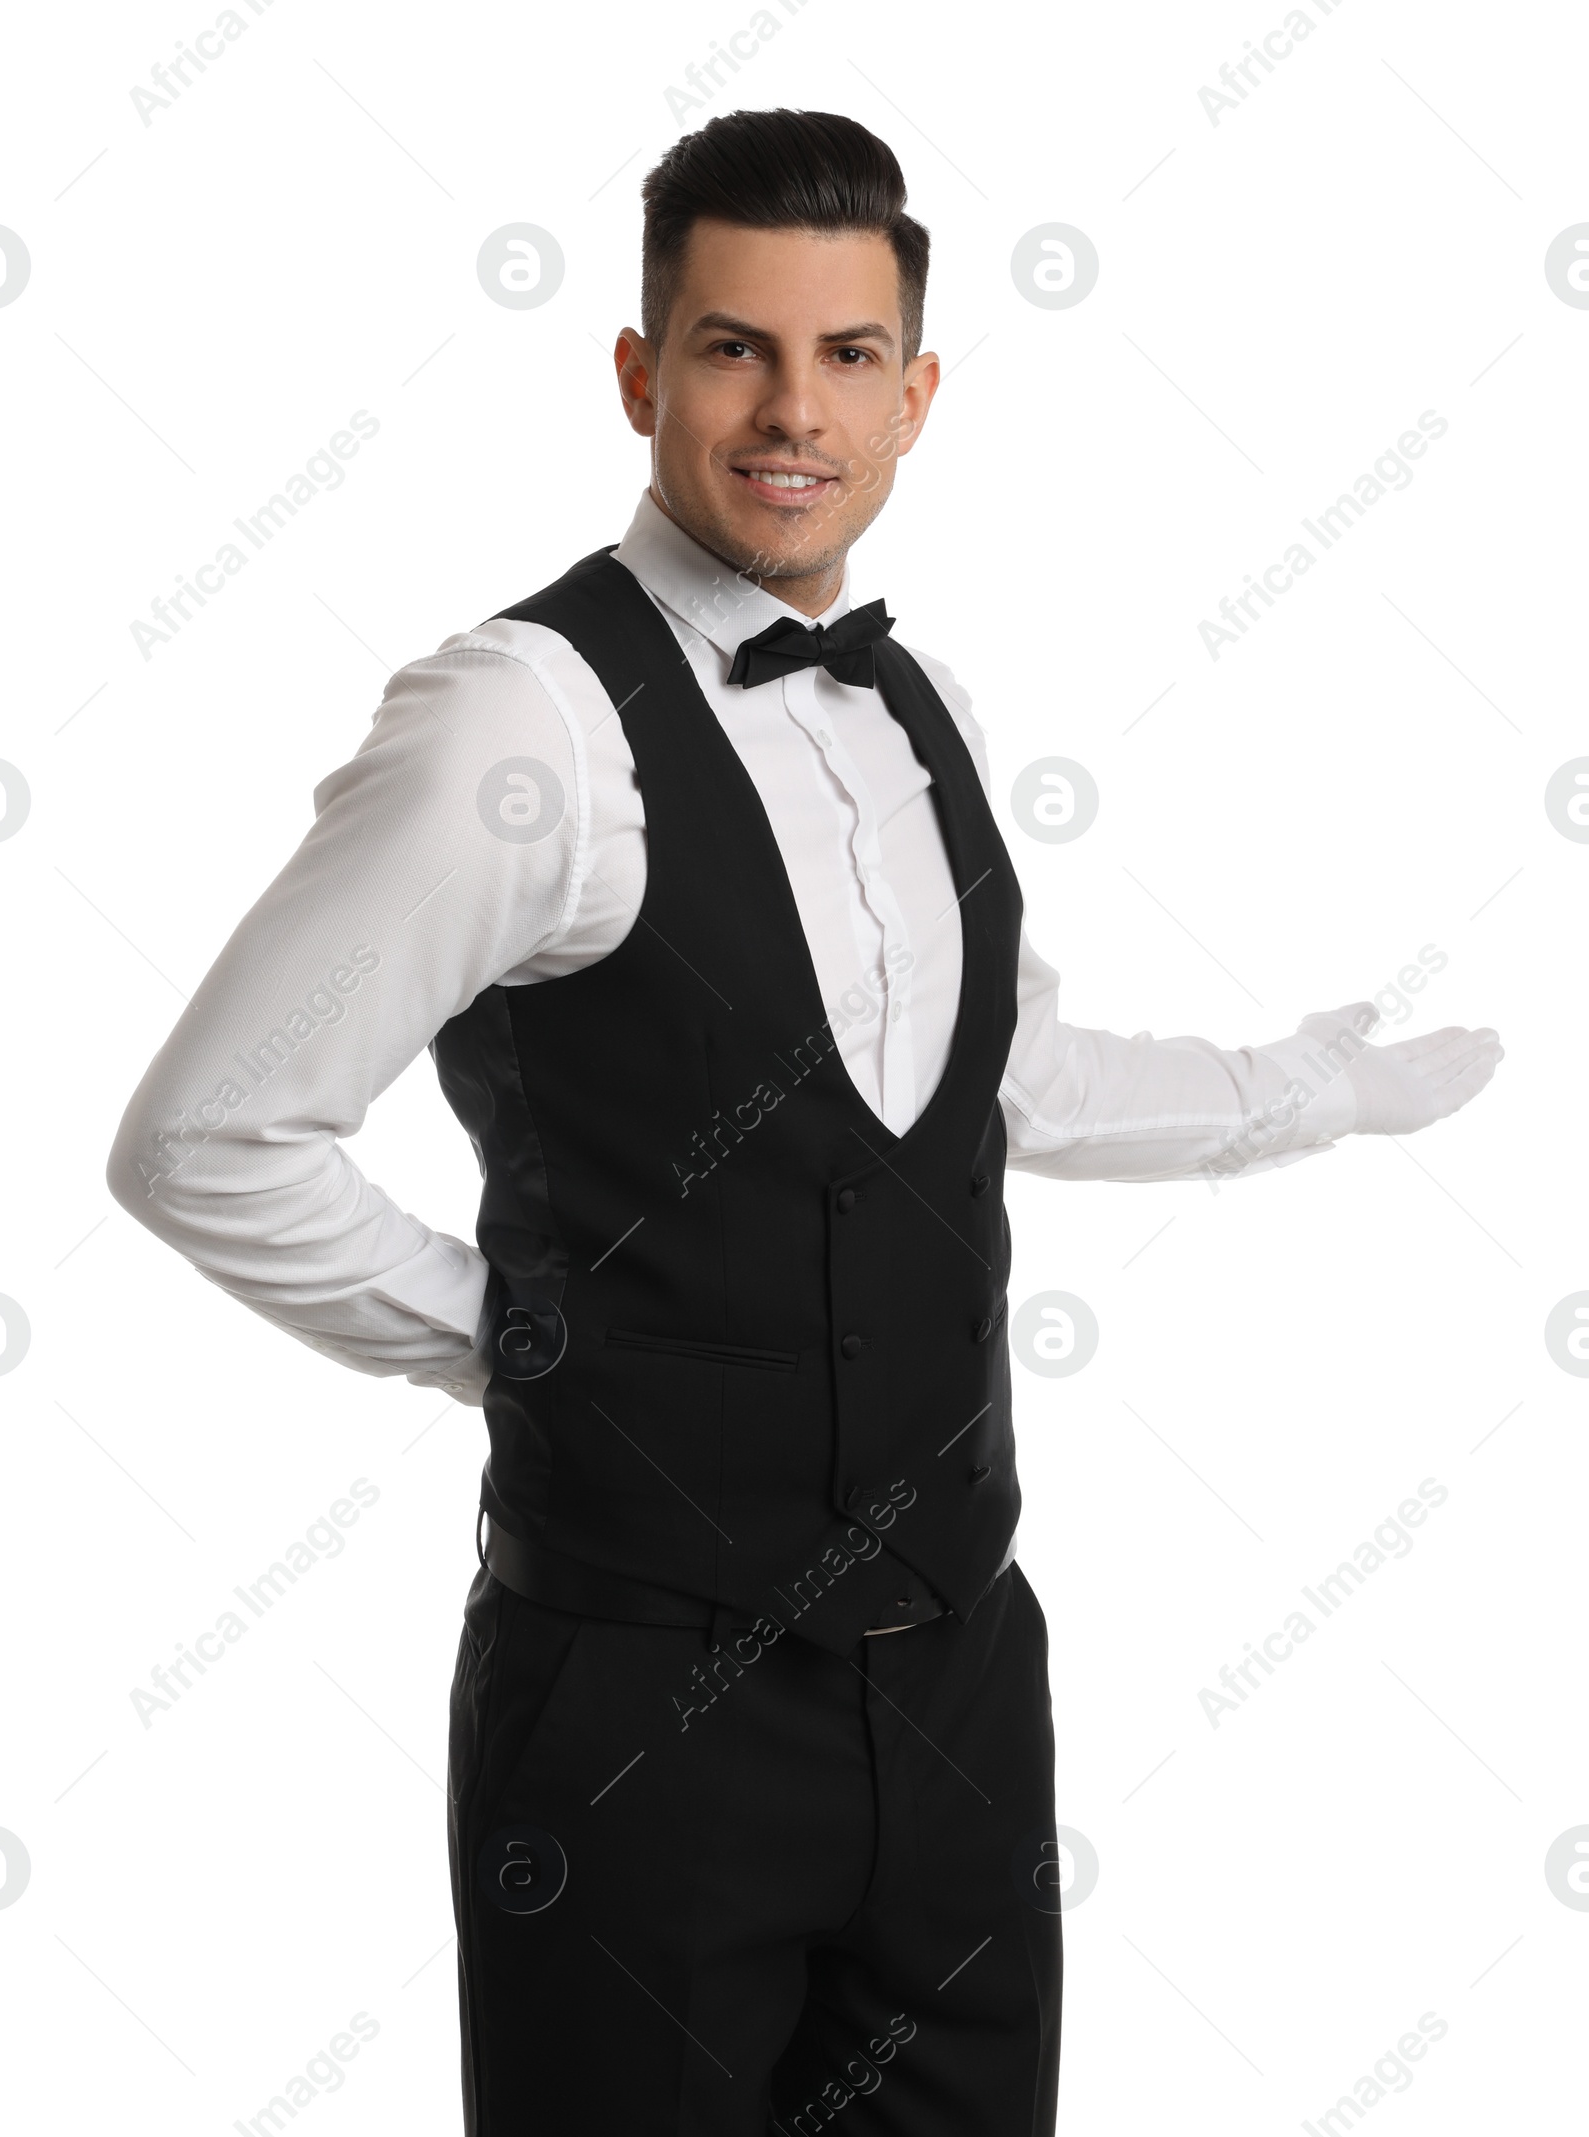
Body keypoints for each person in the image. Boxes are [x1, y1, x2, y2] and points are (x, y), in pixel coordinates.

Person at [108, 106, 1502, 2137]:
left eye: (845, 355)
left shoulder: (914, 707)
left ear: (915, 391)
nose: (790, 410)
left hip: (952, 1693)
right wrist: (530, 1359)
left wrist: (1311, 1088)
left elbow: (997, 1087)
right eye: (732, 347)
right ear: (636, 373)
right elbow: (211, 1139)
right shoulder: (518, 725)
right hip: (637, 1730)